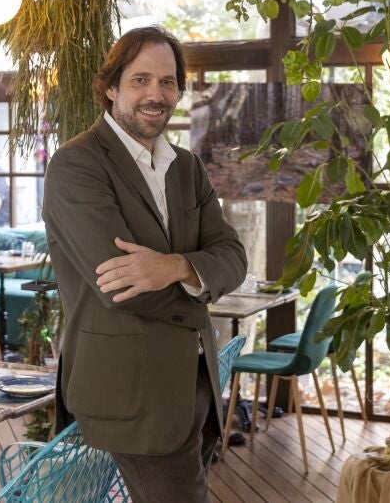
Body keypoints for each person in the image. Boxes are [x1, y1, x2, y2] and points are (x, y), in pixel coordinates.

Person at [43, 26, 247, 502]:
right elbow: (122, 286)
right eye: (140, 80)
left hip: (196, 380)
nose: (156, 95)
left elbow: (234, 256)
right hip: (132, 391)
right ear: (110, 88)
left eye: (167, 82)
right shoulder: (76, 165)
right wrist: (201, 277)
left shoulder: (187, 167)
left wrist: (174, 266)